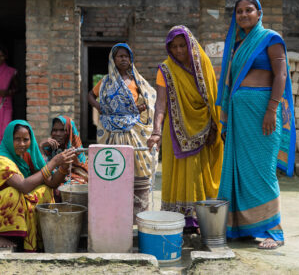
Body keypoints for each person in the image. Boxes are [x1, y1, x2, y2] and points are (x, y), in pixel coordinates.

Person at [216, 0, 296, 249]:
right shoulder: (237, 45)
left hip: (264, 115)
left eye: (248, 10)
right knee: (240, 172)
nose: (243, 15)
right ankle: (243, 228)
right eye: (239, 11)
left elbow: (281, 73)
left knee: (262, 171)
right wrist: (227, 119)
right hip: (240, 119)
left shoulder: (270, 39)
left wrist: (272, 109)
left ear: (259, 13)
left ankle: (274, 230)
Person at [147, 25, 224, 233]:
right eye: (174, 47)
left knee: (199, 175)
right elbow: (160, 103)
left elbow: (212, 97)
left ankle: (202, 219)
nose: (179, 51)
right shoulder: (165, 69)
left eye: (182, 45)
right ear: (168, 48)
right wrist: (156, 131)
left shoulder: (204, 64)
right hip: (176, 131)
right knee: (178, 174)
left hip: (205, 129)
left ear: (190, 44)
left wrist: (215, 128)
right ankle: (180, 220)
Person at [0, 120, 76, 251]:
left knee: (44, 190)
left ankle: (30, 234)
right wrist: (53, 162)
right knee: (13, 193)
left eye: (26, 139)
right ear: (9, 139)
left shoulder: (25, 155)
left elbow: (51, 183)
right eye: (17, 139)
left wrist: (64, 167)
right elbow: (23, 186)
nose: (22, 144)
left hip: (1, 207)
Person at [88, 43, 157, 179]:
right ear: (113, 59)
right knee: (113, 164)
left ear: (130, 59)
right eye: (120, 56)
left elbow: (150, 97)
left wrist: (141, 108)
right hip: (110, 129)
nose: (123, 59)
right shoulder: (106, 81)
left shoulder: (137, 81)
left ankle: (135, 189)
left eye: (126, 56)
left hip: (132, 128)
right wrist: (98, 106)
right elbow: (90, 95)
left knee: (133, 163)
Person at [40, 116, 88, 200]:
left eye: (62, 130)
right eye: (55, 130)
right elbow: (42, 171)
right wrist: (41, 147)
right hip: (53, 180)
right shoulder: (48, 148)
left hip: (73, 178)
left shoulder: (75, 150)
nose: (57, 134)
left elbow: (82, 174)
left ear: (69, 132)